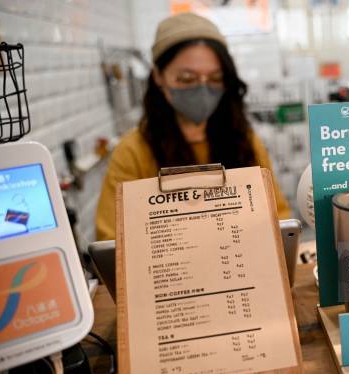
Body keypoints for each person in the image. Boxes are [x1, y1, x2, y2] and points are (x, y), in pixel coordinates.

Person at [96, 13, 290, 241]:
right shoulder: (133, 153)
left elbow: (279, 216)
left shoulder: (243, 140)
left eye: (215, 79)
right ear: (159, 76)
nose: (202, 90)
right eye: (187, 79)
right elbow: (111, 242)